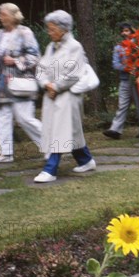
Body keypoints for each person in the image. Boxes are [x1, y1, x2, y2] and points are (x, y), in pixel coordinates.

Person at [34, 10, 96, 183]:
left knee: (59, 132)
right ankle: (86, 160)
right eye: (49, 28)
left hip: (68, 96)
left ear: (64, 29)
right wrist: (46, 84)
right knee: (70, 132)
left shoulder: (75, 47)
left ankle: (50, 169)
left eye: (52, 29)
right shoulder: (50, 47)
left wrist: (56, 86)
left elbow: (74, 74)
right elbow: (41, 69)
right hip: (51, 95)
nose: (49, 32)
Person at [0, 2, 43, 163]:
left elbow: (35, 57)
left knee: (25, 119)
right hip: (0, 86)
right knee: (2, 118)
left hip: (20, 83)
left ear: (13, 16)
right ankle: (6, 154)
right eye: (0, 14)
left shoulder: (25, 33)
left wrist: (16, 60)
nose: (0, 17)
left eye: (3, 14)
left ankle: (53, 147)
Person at [103, 22, 139, 140]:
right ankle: (115, 130)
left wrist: (137, 68)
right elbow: (115, 64)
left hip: (138, 80)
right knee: (122, 105)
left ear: (132, 31)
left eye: (127, 31)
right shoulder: (118, 48)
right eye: (123, 31)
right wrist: (128, 68)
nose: (124, 33)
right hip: (124, 80)